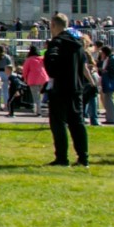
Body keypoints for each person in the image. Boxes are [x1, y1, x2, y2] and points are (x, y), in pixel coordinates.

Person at [42, 15, 90, 167]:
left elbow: (50, 60)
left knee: (58, 123)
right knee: (77, 123)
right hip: (76, 88)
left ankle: (62, 157)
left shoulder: (57, 42)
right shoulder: (78, 43)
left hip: (61, 88)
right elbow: (83, 65)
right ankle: (83, 157)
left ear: (54, 25)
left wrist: (54, 73)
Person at [18, 45, 47, 117]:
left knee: (36, 97)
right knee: (40, 96)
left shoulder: (29, 60)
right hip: (43, 78)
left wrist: (24, 78)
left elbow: (25, 70)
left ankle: (38, 112)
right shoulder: (42, 59)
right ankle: (40, 110)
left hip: (33, 79)